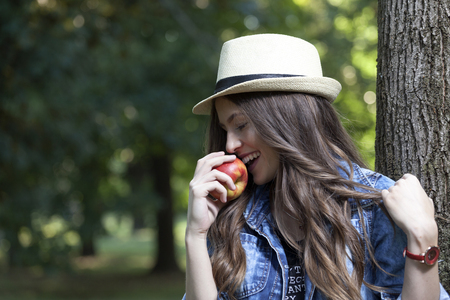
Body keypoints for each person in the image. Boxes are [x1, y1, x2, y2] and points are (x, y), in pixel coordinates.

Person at [183, 34, 449, 300]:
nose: (229, 145)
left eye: (240, 125)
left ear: (287, 117)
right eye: (225, 129)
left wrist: (423, 236)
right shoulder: (231, 215)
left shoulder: (376, 205)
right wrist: (196, 235)